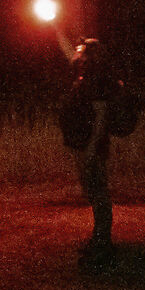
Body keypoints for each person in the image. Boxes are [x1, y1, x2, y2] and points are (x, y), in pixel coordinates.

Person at [60, 37, 120, 266]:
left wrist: (91, 150)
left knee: (99, 192)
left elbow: (101, 118)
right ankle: (99, 239)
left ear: (89, 56)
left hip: (91, 146)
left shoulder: (96, 80)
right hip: (84, 145)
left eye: (80, 50)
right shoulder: (84, 76)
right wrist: (54, 25)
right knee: (93, 192)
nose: (76, 51)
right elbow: (67, 52)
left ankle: (103, 244)